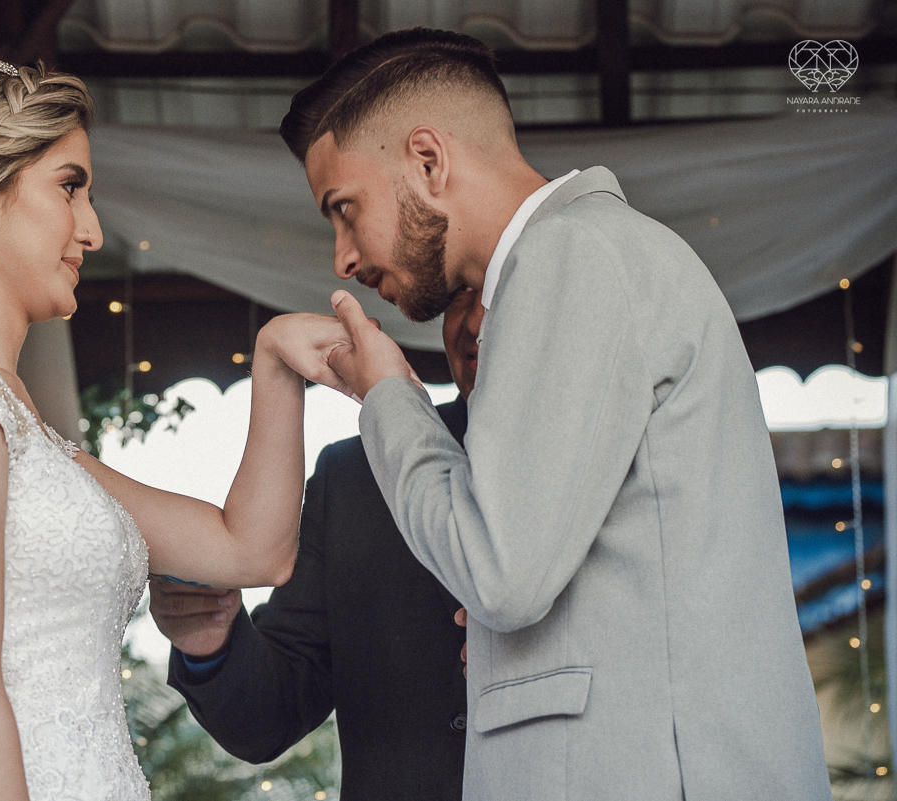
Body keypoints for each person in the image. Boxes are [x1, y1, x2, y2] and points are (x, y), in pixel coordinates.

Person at [279, 28, 831, 801]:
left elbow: (502, 575)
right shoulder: (591, 257)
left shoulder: (570, 254)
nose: (340, 255)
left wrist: (387, 395)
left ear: (429, 163)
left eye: (345, 209)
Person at [0, 45, 350, 801]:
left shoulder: (15, 421)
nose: (90, 228)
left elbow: (250, 548)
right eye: (70, 188)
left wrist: (276, 365)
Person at [151, 285, 482, 800]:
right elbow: (265, 718)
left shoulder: (640, 465)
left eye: (508, 290)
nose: (476, 322)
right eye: (463, 294)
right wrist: (210, 646)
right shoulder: (355, 475)